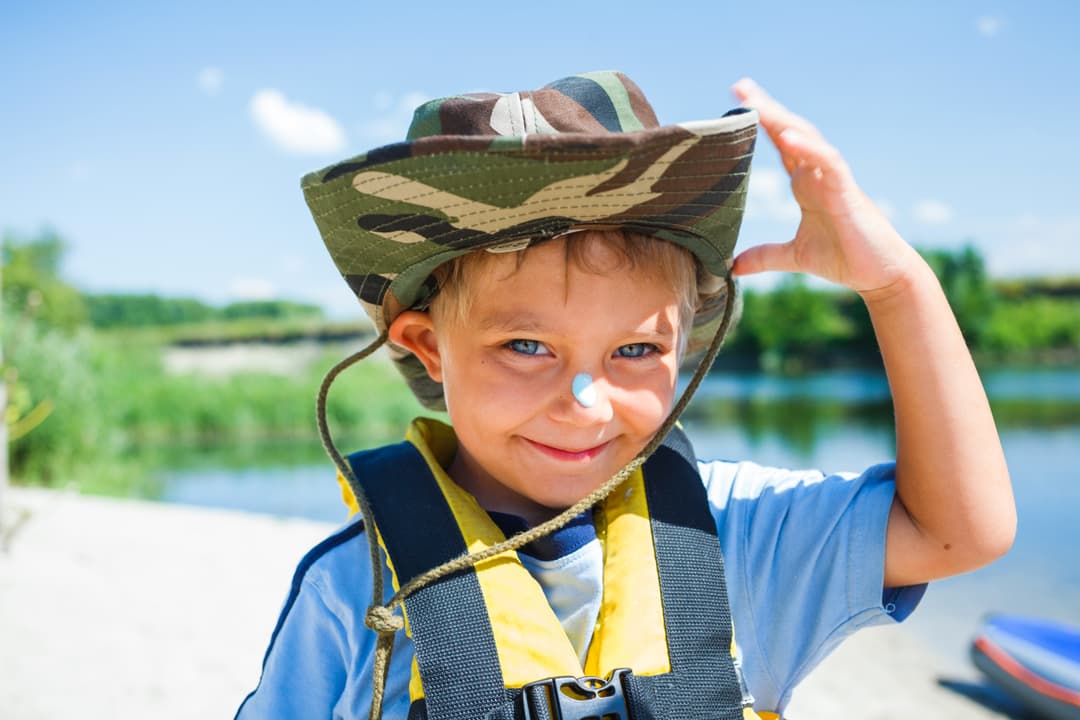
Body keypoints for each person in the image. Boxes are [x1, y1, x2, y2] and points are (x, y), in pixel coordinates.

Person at [234, 72, 1015, 720]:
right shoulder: (352, 588)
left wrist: (898, 288)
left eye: (636, 350)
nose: (586, 402)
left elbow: (960, 532)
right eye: (526, 347)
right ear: (428, 348)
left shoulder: (734, 533)